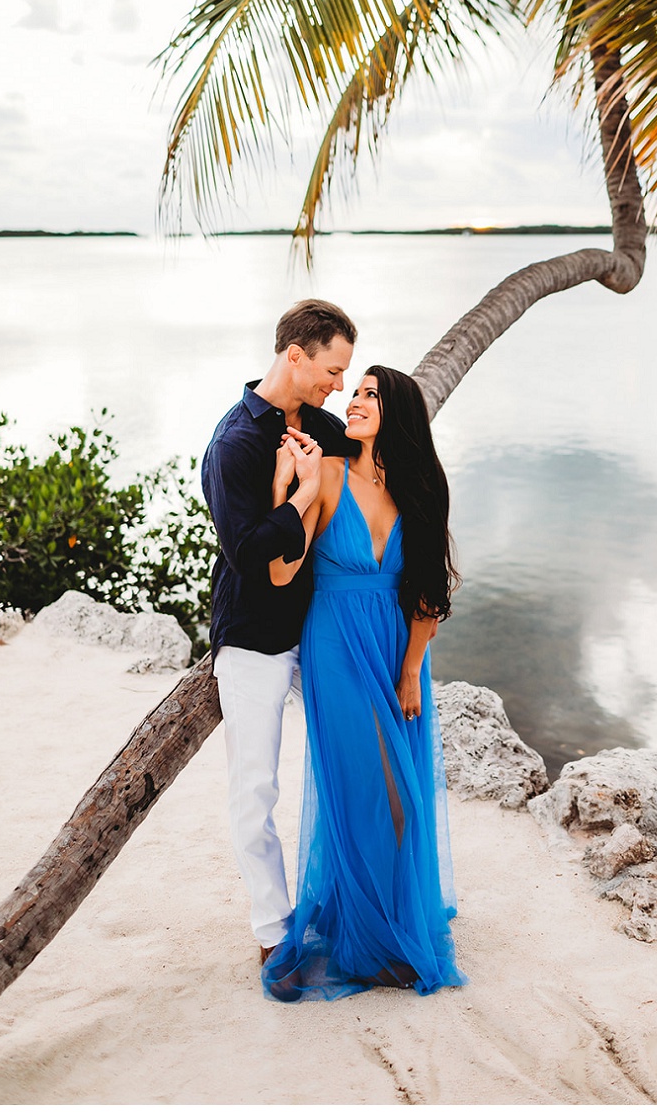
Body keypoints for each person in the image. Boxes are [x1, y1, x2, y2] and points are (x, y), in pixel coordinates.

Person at [259, 365, 465, 1002]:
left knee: (404, 795)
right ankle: (368, 943)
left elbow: (431, 585)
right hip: (336, 646)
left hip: (399, 651)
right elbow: (278, 573)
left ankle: (389, 924)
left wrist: (410, 670)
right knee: (366, 791)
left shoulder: (420, 485)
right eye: (353, 393)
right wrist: (284, 488)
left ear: (397, 411)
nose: (354, 402)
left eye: (369, 394)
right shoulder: (328, 477)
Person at [201, 299, 359, 966]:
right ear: (294, 355)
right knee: (256, 787)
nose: (340, 385)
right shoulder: (233, 444)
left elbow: (375, 461)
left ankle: (358, 909)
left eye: (348, 373)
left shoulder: (322, 422)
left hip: (320, 626)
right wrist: (300, 491)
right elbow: (249, 549)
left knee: (348, 769)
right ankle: (274, 929)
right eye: (332, 368)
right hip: (254, 635)